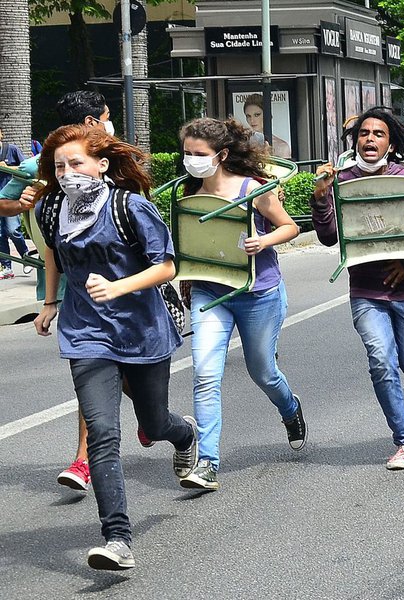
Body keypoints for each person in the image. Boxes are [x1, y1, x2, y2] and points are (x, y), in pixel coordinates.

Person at [32, 124, 197, 570]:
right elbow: (53, 254)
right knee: (103, 433)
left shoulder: (130, 207)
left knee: (154, 421)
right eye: (59, 166)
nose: (67, 173)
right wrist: (51, 301)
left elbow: (166, 266)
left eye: (76, 163)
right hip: (85, 333)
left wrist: (119, 286)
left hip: (142, 331)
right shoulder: (52, 209)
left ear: (101, 164)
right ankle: (117, 538)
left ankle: (184, 433)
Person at [311, 107, 404, 470]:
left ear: (390, 142)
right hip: (365, 289)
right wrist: (320, 197)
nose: (370, 139)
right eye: (364, 133)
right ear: (355, 141)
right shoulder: (342, 181)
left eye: (378, 134)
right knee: (380, 359)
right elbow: (330, 237)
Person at [0, 91, 124, 493]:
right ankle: (85, 461)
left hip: (125, 292)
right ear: (90, 122)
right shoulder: (43, 165)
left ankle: (161, 423)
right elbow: (9, 205)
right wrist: (21, 204)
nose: (67, 170)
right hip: (77, 295)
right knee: (91, 377)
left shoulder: (117, 163)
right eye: (106, 116)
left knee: (130, 380)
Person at [174, 118, 305, 491]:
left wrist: (262, 242)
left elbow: (289, 227)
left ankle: (290, 409)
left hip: (257, 291)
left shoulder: (253, 189)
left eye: (199, 154)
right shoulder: (187, 192)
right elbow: (191, 241)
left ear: (222, 154)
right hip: (210, 292)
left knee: (263, 371)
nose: (191, 161)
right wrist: (187, 275)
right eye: (187, 154)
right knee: (204, 374)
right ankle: (208, 463)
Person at [0, 128, 29, 278]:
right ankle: (6, 266)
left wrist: (8, 168)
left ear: (1, 133)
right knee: (0, 234)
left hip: (10, 198)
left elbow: (26, 169)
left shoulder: (11, 149)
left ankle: (26, 257)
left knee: (12, 230)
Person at [243, 94, 292, 159]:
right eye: (248, 116)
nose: (252, 120)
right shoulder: (242, 144)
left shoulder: (282, 146)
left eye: (257, 115)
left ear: (267, 115)